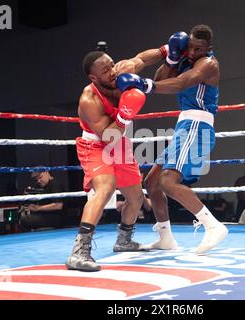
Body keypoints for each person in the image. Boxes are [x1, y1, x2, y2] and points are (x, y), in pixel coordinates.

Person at [116, 25, 228, 253]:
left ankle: (213, 226)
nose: (193, 52)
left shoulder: (208, 64)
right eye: (191, 47)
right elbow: (162, 76)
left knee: (168, 181)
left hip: (198, 124)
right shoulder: (185, 51)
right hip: (184, 125)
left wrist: (145, 85)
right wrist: (171, 60)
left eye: (199, 49)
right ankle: (165, 237)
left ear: (208, 48)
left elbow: (181, 84)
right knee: (153, 182)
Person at [66, 46, 165, 272]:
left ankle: (124, 240)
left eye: (111, 64)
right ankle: (79, 252)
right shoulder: (88, 99)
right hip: (96, 144)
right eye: (105, 70)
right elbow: (108, 134)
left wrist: (166, 50)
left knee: (136, 197)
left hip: (120, 144)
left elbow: (141, 59)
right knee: (106, 188)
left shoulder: (120, 71)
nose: (112, 71)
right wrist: (125, 114)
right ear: (93, 77)